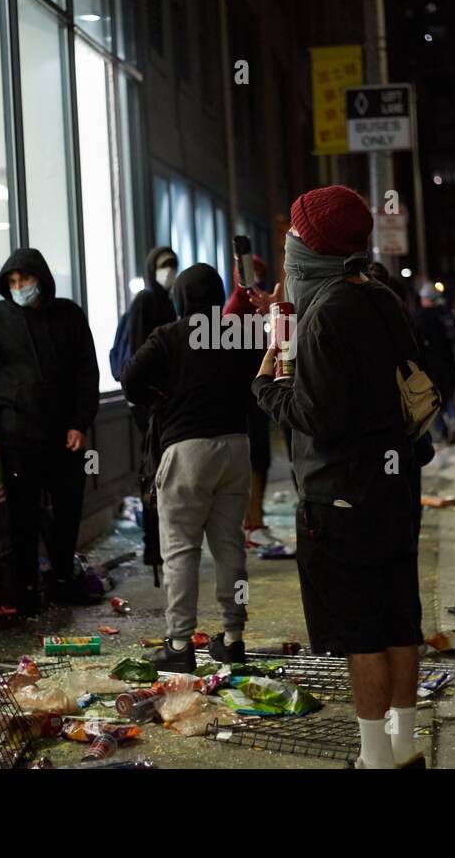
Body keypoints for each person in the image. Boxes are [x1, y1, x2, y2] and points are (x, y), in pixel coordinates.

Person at [253, 185, 425, 770]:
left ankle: (374, 757)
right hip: (395, 487)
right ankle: (405, 746)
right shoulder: (377, 297)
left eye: (295, 234)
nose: (288, 243)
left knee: (361, 633)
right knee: (399, 618)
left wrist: (267, 383)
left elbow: (317, 415)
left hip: (341, 498)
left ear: (314, 245)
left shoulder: (327, 314)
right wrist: (285, 327)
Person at [122, 263, 256, 670]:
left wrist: (162, 390)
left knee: (181, 551)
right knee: (231, 546)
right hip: (236, 448)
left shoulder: (169, 335)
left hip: (188, 451)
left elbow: (129, 380)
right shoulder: (237, 332)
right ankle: (233, 637)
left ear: (181, 298)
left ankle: (179, 646)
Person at [0, 248, 101, 613]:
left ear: (40, 278)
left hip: (64, 436)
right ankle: (24, 589)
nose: (18, 286)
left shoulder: (68, 315)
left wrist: (79, 422)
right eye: (11, 281)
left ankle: (61, 580)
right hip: (15, 434)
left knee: (66, 510)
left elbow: (86, 372)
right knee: (22, 515)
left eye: (24, 279)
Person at [120, 246, 178, 574]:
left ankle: (159, 545)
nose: (168, 270)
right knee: (156, 471)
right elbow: (142, 350)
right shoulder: (147, 300)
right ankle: (153, 546)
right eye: (163, 265)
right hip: (148, 402)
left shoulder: (166, 300)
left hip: (160, 400)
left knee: (161, 471)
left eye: (173, 265)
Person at [224, 253, 276, 545]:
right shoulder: (235, 309)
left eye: (258, 272)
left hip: (258, 397)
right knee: (252, 461)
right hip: (246, 399)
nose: (255, 279)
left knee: (261, 459)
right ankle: (251, 523)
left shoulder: (258, 307)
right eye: (249, 273)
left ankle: (256, 520)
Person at [414, 283, 455, 443]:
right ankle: (454, 419)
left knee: (433, 404)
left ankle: (442, 432)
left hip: (429, 368)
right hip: (447, 365)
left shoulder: (418, 318)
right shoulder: (445, 314)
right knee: (448, 398)